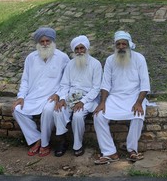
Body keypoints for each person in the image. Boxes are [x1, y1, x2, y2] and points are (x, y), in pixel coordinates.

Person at [93, 31, 151, 164]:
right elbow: (106, 84)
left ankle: (132, 150)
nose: (121, 46)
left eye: (124, 44)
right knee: (98, 116)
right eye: (118, 44)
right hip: (115, 97)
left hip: (135, 96)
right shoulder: (110, 60)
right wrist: (102, 102)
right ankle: (110, 152)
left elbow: (145, 85)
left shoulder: (139, 58)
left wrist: (138, 102)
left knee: (137, 115)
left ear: (129, 45)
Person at [12, 27, 70, 157]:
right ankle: (36, 139)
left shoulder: (62, 57)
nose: (44, 44)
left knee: (48, 110)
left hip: (52, 96)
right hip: (33, 96)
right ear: (38, 43)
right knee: (17, 110)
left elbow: (67, 81)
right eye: (42, 41)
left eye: (47, 41)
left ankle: (45, 143)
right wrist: (21, 96)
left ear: (53, 41)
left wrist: (60, 95)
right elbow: (25, 80)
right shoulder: (31, 58)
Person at [52, 35, 102, 157]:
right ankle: (62, 141)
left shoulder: (96, 64)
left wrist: (83, 101)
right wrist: (62, 98)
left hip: (89, 98)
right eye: (77, 49)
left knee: (78, 116)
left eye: (82, 48)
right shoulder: (70, 64)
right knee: (57, 111)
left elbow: (96, 88)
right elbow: (64, 84)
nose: (79, 51)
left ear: (86, 49)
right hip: (71, 96)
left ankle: (78, 145)